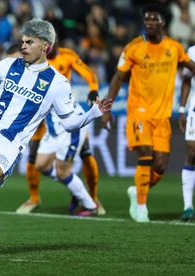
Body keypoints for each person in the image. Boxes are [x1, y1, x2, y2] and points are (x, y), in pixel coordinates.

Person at [0, 18, 112, 259]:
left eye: (30, 42)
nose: (24, 46)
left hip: (11, 141)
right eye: (23, 41)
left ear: (46, 46)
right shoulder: (8, 65)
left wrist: (94, 112)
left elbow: (70, 123)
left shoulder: (58, 84)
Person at [102, 3, 195, 222]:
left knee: (161, 165)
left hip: (162, 116)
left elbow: (191, 67)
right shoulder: (134, 47)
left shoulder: (174, 47)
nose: (150, 23)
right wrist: (107, 107)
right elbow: (117, 77)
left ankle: (138, 191)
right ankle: (142, 208)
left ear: (163, 22)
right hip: (139, 112)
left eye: (154, 20)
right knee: (145, 154)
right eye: (147, 20)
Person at [16, 43, 104, 215]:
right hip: (50, 123)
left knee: (79, 159)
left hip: (67, 120)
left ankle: (91, 203)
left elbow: (88, 74)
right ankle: (74, 187)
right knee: (40, 164)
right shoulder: (32, 64)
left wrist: (93, 92)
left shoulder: (64, 60)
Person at [35, 99, 99, 216]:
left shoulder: (52, 84)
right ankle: (75, 185)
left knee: (62, 172)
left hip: (70, 126)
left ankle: (91, 206)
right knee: (41, 165)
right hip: (53, 128)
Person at [179, 45, 195, 221]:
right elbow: (186, 80)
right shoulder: (192, 52)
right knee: (191, 152)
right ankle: (187, 206)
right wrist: (182, 109)